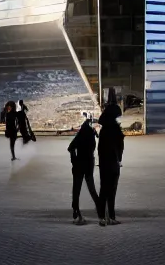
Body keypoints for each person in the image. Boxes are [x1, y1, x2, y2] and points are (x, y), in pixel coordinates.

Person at [97, 88, 124, 226]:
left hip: (104, 163)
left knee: (104, 189)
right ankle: (109, 217)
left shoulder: (104, 131)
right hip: (113, 164)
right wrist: (118, 159)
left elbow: (100, 149)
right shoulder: (114, 130)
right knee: (111, 191)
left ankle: (103, 217)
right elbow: (118, 147)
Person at [67, 112, 100, 225]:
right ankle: (99, 208)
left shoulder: (81, 136)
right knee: (91, 187)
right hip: (87, 165)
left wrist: (74, 160)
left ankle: (76, 210)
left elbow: (70, 148)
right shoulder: (91, 136)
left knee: (77, 188)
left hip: (79, 165)